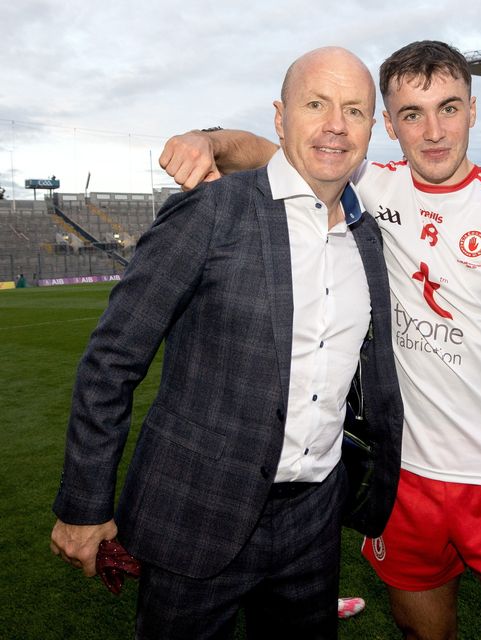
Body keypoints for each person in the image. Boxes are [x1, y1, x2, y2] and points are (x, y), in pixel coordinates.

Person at [160, 40, 481, 640]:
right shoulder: (370, 186)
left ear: (474, 110)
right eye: (412, 114)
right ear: (389, 123)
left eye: (449, 108)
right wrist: (207, 139)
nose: (433, 131)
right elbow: (266, 152)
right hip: (402, 478)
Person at [50, 46, 403, 640]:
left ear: (372, 127)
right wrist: (85, 504)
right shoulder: (210, 213)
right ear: (279, 116)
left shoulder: (368, 238)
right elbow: (112, 359)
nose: (335, 125)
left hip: (313, 523)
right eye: (315, 104)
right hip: (196, 509)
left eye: (354, 110)